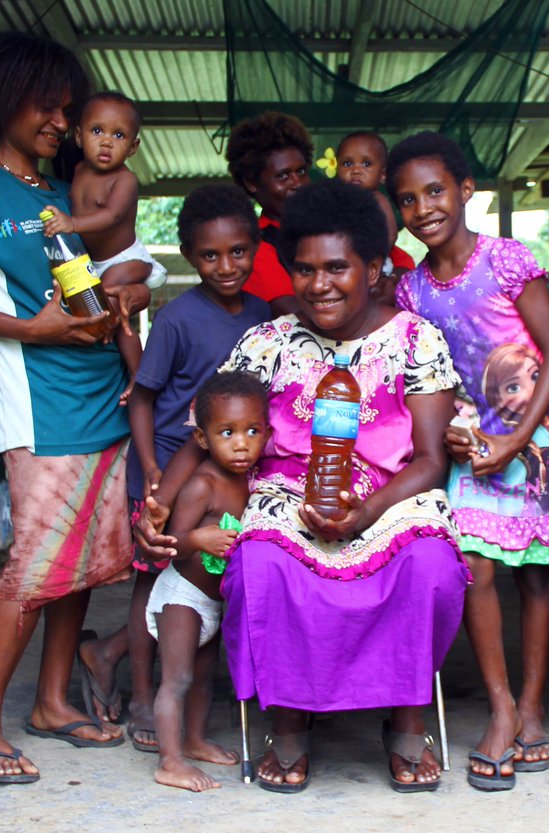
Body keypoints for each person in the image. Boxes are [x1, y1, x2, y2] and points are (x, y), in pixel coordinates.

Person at [137, 179, 469, 794]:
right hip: (285, 499)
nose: (320, 285)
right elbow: (203, 436)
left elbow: (429, 459)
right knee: (260, 567)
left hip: (390, 499)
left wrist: (366, 511)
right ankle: (288, 726)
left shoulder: (415, 341)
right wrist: (156, 508)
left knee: (430, 567)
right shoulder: (269, 342)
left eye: (338, 268)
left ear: (373, 268)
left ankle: (405, 719)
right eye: (305, 269)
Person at [0, 32, 153, 784]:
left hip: (97, 399)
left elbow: (112, 268)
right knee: (35, 561)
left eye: (65, 109)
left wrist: (127, 295)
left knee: (78, 563)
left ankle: (51, 700)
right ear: (2, 101)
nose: (60, 120)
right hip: (38, 406)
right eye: (45, 107)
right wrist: (31, 329)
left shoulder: (61, 195)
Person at [389, 132, 549, 791]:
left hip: (537, 433)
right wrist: (460, 439)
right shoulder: (412, 290)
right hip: (473, 437)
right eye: (408, 199)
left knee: (533, 573)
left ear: (466, 190)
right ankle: (501, 709)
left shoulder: (505, 260)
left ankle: (533, 703)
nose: (424, 208)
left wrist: (518, 437)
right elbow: (432, 380)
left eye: (435, 190)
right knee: (474, 563)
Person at [75, 184, 271, 753]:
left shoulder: (262, 314)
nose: (226, 265)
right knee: (154, 578)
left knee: (198, 574)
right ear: (189, 255)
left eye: (238, 251)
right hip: (166, 465)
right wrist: (152, 467)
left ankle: (116, 659)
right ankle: (141, 694)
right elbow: (142, 395)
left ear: (256, 247)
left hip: (221, 463)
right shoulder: (181, 317)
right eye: (210, 256)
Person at [150, 371, 268, 792]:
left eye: (252, 431)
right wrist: (198, 538)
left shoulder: (249, 481)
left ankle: (195, 739)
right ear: (202, 439)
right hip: (182, 596)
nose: (241, 443)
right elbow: (171, 545)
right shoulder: (202, 484)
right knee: (177, 679)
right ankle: (170, 761)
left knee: (203, 677)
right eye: (227, 432)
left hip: (212, 602)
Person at [43, 92, 167, 403]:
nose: (107, 142)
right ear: (79, 136)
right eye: (97, 131)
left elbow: (111, 216)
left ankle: (138, 371)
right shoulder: (79, 172)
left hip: (127, 258)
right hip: (95, 263)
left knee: (112, 306)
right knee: (102, 309)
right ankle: (112, 341)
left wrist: (71, 224)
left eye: (119, 135)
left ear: (133, 147)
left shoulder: (125, 181)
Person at [226, 112, 312, 315]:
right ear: (251, 183)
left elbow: (400, 270)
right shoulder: (256, 246)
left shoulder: (330, 225)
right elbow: (294, 314)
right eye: (283, 176)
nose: (296, 183)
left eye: (301, 172)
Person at [336, 131, 417, 286]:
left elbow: (390, 235)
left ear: (383, 175)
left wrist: (367, 255)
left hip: (374, 265)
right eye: (347, 163)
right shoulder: (335, 200)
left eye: (366, 164)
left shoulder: (377, 200)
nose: (356, 170)